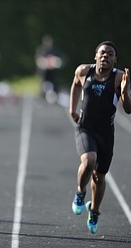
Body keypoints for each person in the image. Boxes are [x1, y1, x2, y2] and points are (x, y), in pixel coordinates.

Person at [70, 41, 131, 234]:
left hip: (106, 133)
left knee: (99, 176)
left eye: (110, 54)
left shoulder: (118, 77)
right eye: (102, 53)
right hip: (85, 127)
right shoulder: (83, 71)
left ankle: (94, 210)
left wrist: (124, 92)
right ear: (96, 56)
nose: (106, 56)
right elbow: (75, 85)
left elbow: (128, 109)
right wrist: (72, 109)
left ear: (115, 59)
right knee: (89, 160)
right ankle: (80, 192)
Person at [35, 35, 63, 104]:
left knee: (55, 86)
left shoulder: (55, 51)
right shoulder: (41, 50)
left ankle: (56, 97)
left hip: (53, 73)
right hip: (44, 73)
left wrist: (55, 62)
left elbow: (62, 60)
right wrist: (44, 63)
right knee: (43, 86)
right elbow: (38, 61)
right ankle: (43, 98)